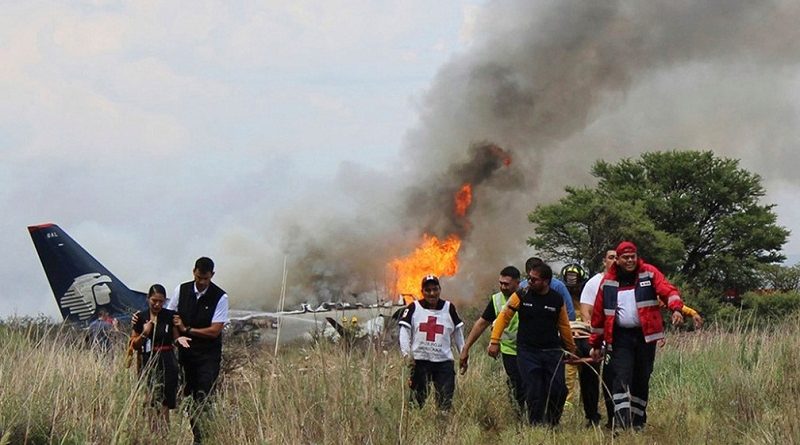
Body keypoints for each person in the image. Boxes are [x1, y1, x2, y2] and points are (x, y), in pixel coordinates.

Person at [589, 241, 684, 430]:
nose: (630, 260)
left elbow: (668, 290)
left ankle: (638, 422)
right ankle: (621, 424)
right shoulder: (607, 282)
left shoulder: (649, 273)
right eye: (626, 257)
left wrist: (676, 309)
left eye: (633, 256)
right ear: (618, 259)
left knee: (642, 378)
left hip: (645, 337)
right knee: (620, 378)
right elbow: (598, 316)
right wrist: (595, 343)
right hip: (620, 338)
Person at [489, 263, 576, 426]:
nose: (529, 282)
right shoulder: (522, 295)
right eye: (529, 278)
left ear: (546, 281)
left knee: (559, 390)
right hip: (528, 352)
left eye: (534, 280)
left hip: (552, 351)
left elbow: (564, 326)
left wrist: (571, 349)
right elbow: (503, 317)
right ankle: (535, 426)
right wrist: (494, 341)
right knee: (534, 390)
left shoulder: (556, 299)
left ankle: (552, 423)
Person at [166, 257, 229, 444]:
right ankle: (195, 435)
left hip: (208, 356)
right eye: (199, 277)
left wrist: (188, 330)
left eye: (206, 279)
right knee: (188, 396)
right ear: (194, 271)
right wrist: (178, 337)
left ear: (212, 276)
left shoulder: (220, 297)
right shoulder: (182, 290)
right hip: (186, 355)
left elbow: (214, 330)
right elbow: (172, 316)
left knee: (204, 396)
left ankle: (203, 438)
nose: (202, 282)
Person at [459, 266, 525, 415]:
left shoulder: (526, 297)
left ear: (517, 283)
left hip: (529, 349)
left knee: (531, 383)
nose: (502, 287)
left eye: (506, 284)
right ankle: (520, 417)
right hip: (509, 350)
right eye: (500, 283)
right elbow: (481, 323)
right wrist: (466, 348)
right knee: (516, 384)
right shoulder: (496, 300)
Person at [399, 274, 465, 411]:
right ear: (422, 291)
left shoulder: (449, 308)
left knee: (445, 401)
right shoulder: (413, 308)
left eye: (435, 289)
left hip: (443, 362)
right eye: (428, 290)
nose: (432, 293)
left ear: (440, 289)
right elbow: (404, 331)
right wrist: (406, 354)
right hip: (420, 361)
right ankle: (416, 427)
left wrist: (463, 354)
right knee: (417, 402)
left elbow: (458, 333)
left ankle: (442, 428)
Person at [130, 284, 191, 429]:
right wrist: (145, 333)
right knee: (150, 399)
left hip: (167, 360)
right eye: (154, 301)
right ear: (148, 299)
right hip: (147, 360)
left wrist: (179, 340)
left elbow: (175, 337)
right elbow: (134, 344)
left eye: (161, 301)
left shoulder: (170, 316)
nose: (157, 304)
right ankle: (152, 433)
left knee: (165, 400)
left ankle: (164, 434)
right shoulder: (140, 317)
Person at [578, 249, 618, 428]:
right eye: (611, 258)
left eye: (618, 257)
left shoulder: (628, 281)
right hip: (596, 336)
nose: (615, 261)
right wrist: (596, 335)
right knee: (589, 374)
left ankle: (615, 418)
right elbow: (585, 310)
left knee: (614, 378)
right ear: (604, 261)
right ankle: (592, 415)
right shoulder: (594, 283)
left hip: (619, 338)